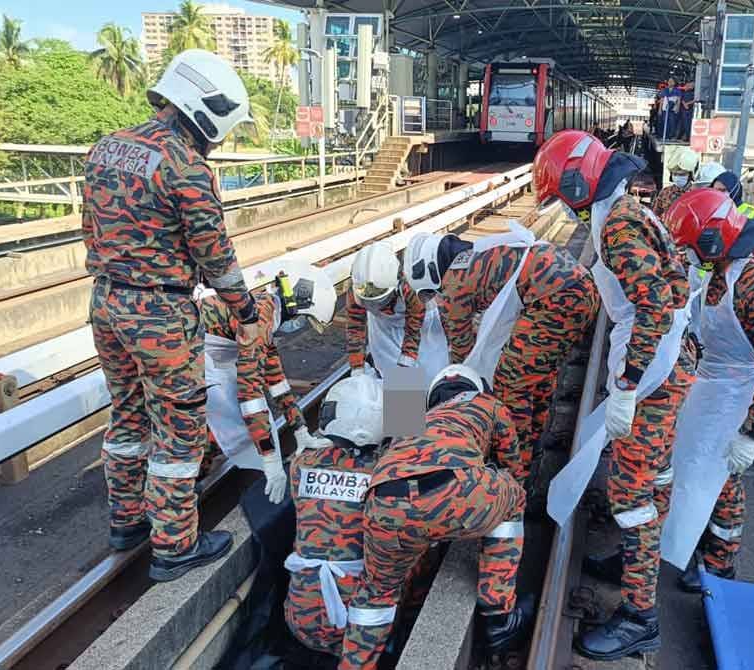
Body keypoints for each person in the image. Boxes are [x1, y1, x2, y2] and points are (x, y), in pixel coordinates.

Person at [84, 49, 258, 581]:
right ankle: (175, 545)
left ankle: (127, 519)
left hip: (106, 301)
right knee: (179, 430)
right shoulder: (186, 166)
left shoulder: (104, 147)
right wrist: (246, 310)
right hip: (159, 313)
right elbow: (216, 255)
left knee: (128, 412)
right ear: (207, 111)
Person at [534, 130, 696, 659]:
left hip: (653, 371)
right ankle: (637, 565)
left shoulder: (620, 223)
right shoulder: (624, 211)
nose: (565, 205)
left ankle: (641, 615)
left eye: (563, 194)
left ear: (580, 181)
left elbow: (652, 308)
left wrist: (626, 387)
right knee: (658, 475)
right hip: (665, 364)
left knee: (631, 498)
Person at [339, 364, 532, 669]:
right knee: (515, 497)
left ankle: (355, 663)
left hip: (384, 502)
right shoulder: (488, 404)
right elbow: (514, 467)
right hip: (452, 491)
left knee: (376, 595)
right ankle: (499, 615)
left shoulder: (408, 421)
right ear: (476, 386)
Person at [401, 224, 599, 486]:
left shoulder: (453, 285)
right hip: (575, 289)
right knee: (536, 375)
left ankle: (516, 470)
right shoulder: (473, 254)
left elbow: (463, 354)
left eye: (428, 293)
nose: (434, 299)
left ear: (429, 272)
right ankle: (536, 440)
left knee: (510, 385)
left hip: (555, 297)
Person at [660, 189, 754, 591]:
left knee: (723, 476)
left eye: (694, 247)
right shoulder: (717, 275)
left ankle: (720, 562)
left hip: (738, 394)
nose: (690, 255)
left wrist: (751, 432)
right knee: (693, 467)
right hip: (710, 383)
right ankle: (692, 538)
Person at [196, 263, 335, 496]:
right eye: (305, 319)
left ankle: (184, 488)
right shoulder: (260, 322)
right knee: (215, 429)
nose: (299, 326)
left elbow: (275, 378)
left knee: (220, 425)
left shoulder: (267, 310)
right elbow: (249, 395)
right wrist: (269, 458)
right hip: (178, 353)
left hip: (199, 353)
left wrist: (300, 429)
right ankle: (181, 492)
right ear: (296, 305)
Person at [284, 373, 384, 667]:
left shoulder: (301, 464)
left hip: (299, 618)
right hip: (357, 627)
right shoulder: (384, 473)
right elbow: (409, 443)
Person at [346, 240, 449, 380]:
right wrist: (357, 367)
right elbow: (355, 328)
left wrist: (407, 359)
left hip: (422, 323)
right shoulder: (356, 288)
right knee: (396, 380)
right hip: (383, 327)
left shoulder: (410, 286)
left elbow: (414, 326)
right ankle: (401, 400)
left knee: (432, 372)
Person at [652, 145, 700, 219]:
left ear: (690, 175)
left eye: (682, 174)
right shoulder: (666, 192)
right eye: (675, 174)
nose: (678, 177)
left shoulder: (697, 194)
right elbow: (655, 215)